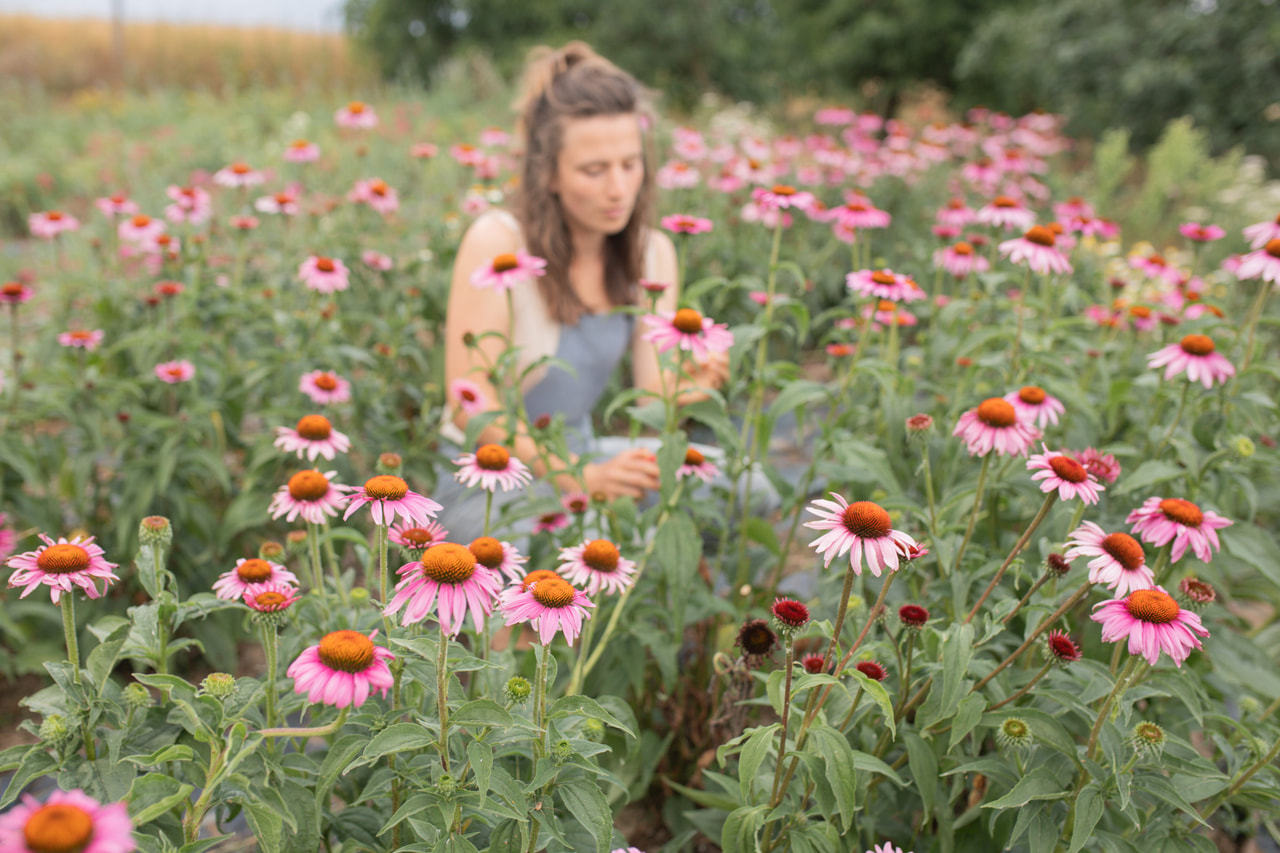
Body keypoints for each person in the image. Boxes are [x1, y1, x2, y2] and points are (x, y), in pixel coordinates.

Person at [432, 42, 733, 544]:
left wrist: (702, 379)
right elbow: (471, 403)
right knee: (534, 583)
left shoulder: (651, 253)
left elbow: (656, 393)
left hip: (587, 455)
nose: (619, 188)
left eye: (630, 164)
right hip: (491, 476)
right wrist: (581, 479)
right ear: (547, 173)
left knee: (741, 489)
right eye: (594, 170)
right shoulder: (499, 242)